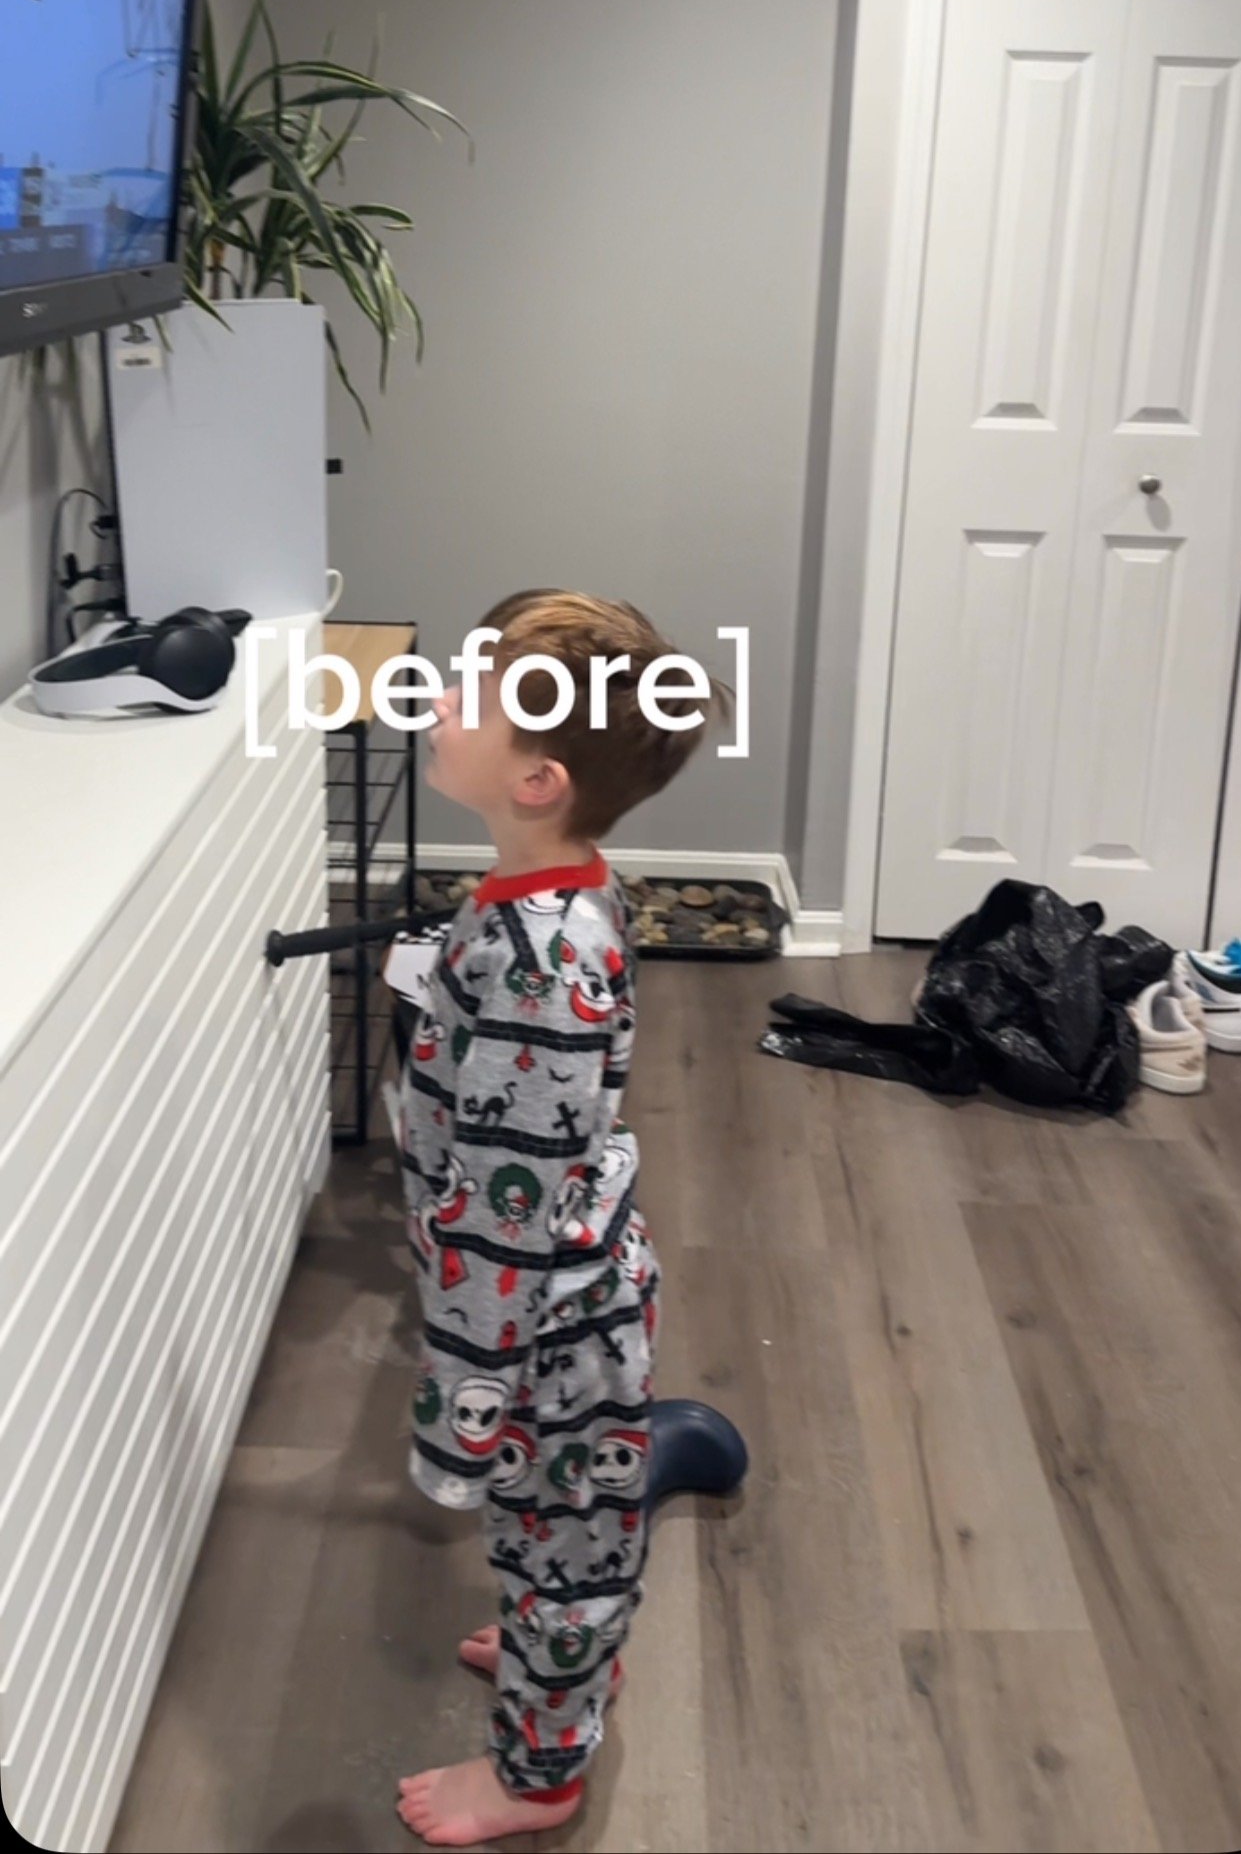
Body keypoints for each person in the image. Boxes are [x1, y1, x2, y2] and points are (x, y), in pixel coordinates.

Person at [393, 590, 727, 1847]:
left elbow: (506, 1209)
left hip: (542, 1319)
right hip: (556, 1296)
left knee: (562, 1543)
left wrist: (463, 1397)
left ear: (537, 780)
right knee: (556, 1525)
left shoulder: (544, 962)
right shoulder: (546, 888)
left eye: (472, 693)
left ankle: (540, 1772)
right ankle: (561, 1643)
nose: (442, 700)